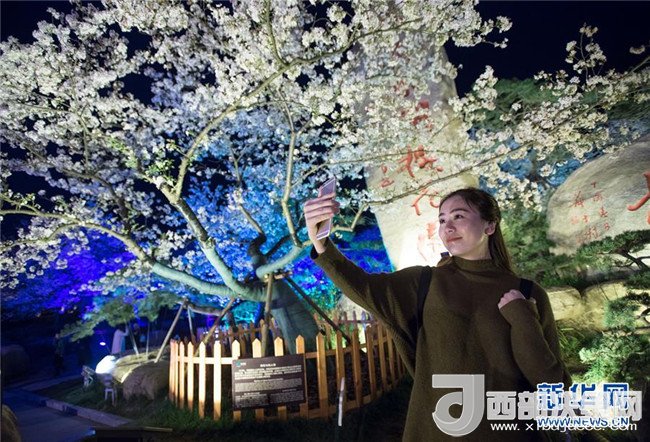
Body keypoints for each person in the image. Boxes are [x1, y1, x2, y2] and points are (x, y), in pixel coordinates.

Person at [303, 187, 571, 442]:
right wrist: (321, 241)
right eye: (442, 220)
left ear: (490, 226)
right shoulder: (424, 282)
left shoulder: (527, 293)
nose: (447, 227)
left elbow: (554, 386)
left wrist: (522, 318)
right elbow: (363, 287)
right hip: (437, 432)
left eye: (458, 216)